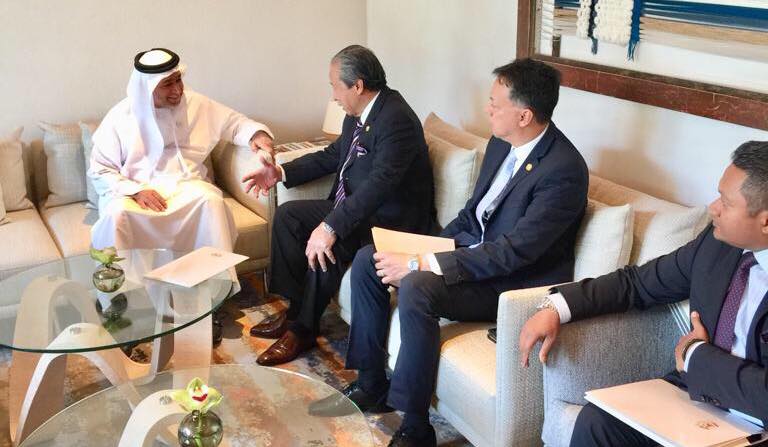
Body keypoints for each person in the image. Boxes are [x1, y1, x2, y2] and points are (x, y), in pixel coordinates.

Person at [312, 58, 589, 447]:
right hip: (471, 255)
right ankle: (371, 383)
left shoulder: (564, 171)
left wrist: (423, 263)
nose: (487, 109)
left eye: (495, 104)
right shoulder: (501, 143)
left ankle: (415, 426)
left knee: (418, 286)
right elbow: (471, 214)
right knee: (368, 259)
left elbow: (512, 254)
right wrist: (431, 247)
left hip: (509, 284)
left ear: (524, 115)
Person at [518, 141, 768, 446]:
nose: (713, 207)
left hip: (756, 425)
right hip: (702, 402)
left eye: (726, 203)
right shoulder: (717, 245)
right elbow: (638, 283)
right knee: (597, 423)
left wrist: (695, 355)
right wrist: (557, 306)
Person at [242, 45, 435, 366]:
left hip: (391, 221)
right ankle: (295, 311)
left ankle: (304, 330)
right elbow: (334, 155)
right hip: (361, 210)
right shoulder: (359, 113)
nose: (333, 95)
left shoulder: (396, 120)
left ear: (357, 85)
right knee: (289, 216)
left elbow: (379, 185)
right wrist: (280, 172)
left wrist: (331, 226)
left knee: (331, 241)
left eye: (335, 86)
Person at [89, 47, 275, 253]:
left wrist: (256, 134)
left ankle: (214, 273)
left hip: (187, 185)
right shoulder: (120, 117)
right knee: (117, 215)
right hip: (135, 192)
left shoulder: (196, 103)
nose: (177, 90)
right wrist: (135, 191)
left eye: (178, 80)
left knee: (212, 202)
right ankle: (129, 276)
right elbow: (99, 170)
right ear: (148, 87)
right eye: (167, 84)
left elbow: (234, 123)